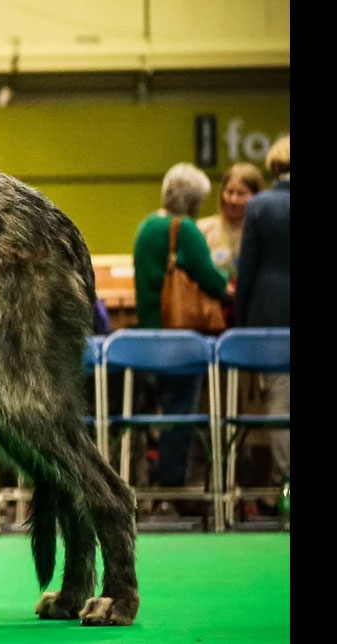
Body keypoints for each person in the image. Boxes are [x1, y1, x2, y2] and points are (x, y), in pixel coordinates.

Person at [131, 163, 230, 514]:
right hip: (180, 340)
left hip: (146, 341)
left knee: (150, 416)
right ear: (191, 201)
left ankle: (144, 487)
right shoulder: (184, 228)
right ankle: (172, 490)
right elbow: (210, 279)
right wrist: (227, 279)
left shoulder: (145, 227)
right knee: (180, 413)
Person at [236, 136, 290, 483]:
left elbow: (248, 270)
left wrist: (242, 323)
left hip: (271, 315)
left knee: (282, 400)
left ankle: (287, 480)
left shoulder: (259, 206)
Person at [196, 162, 265, 281]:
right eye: (229, 192)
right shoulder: (203, 228)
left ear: (256, 195)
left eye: (241, 193)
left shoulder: (263, 232)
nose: (234, 199)